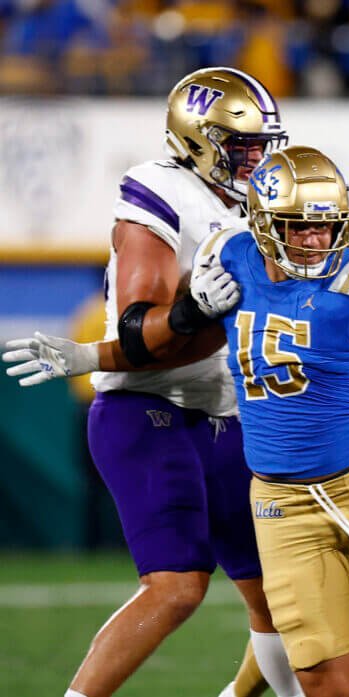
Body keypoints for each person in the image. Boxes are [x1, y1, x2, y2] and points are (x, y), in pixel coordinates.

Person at [7, 145, 349, 697]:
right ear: (262, 221)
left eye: (327, 226)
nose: (316, 240)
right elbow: (184, 341)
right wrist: (95, 355)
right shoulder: (232, 260)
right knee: (328, 686)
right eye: (300, 226)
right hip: (285, 509)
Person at [4, 66, 301, 697]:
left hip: (226, 410)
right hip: (146, 406)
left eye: (261, 145)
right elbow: (140, 333)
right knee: (177, 587)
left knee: (280, 594)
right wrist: (193, 309)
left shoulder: (259, 205)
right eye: (240, 145)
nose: (255, 159)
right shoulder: (162, 191)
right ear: (195, 139)